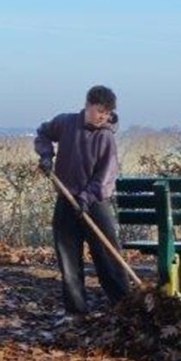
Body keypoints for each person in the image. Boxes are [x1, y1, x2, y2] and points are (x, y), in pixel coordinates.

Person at [34, 85, 130, 315]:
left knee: (108, 258)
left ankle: (125, 306)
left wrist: (86, 198)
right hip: (67, 199)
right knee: (68, 258)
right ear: (87, 105)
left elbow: (106, 176)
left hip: (95, 203)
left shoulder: (106, 137)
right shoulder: (66, 123)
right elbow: (43, 133)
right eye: (99, 111)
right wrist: (46, 156)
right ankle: (75, 311)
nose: (103, 117)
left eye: (107, 113)